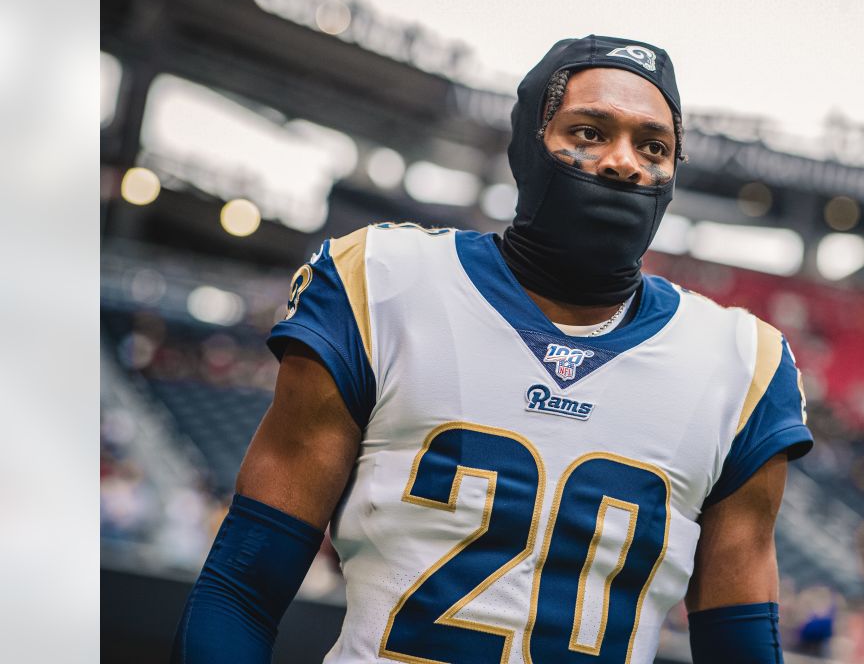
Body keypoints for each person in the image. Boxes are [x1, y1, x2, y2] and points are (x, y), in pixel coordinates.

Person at [171, 35, 813, 664]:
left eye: (654, 146)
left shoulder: (742, 363)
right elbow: (242, 589)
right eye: (589, 132)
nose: (624, 162)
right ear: (529, 144)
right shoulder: (383, 281)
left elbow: (742, 646)